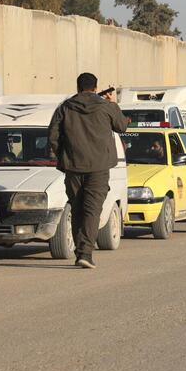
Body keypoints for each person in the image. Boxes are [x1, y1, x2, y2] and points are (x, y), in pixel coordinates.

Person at [48, 72, 128, 269]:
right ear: (95, 87)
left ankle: (80, 251)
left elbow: (52, 137)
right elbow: (122, 126)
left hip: (73, 167)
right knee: (91, 210)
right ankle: (85, 253)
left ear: (78, 87)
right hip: (99, 168)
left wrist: (65, 157)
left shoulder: (65, 108)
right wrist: (114, 103)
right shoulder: (106, 107)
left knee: (77, 208)